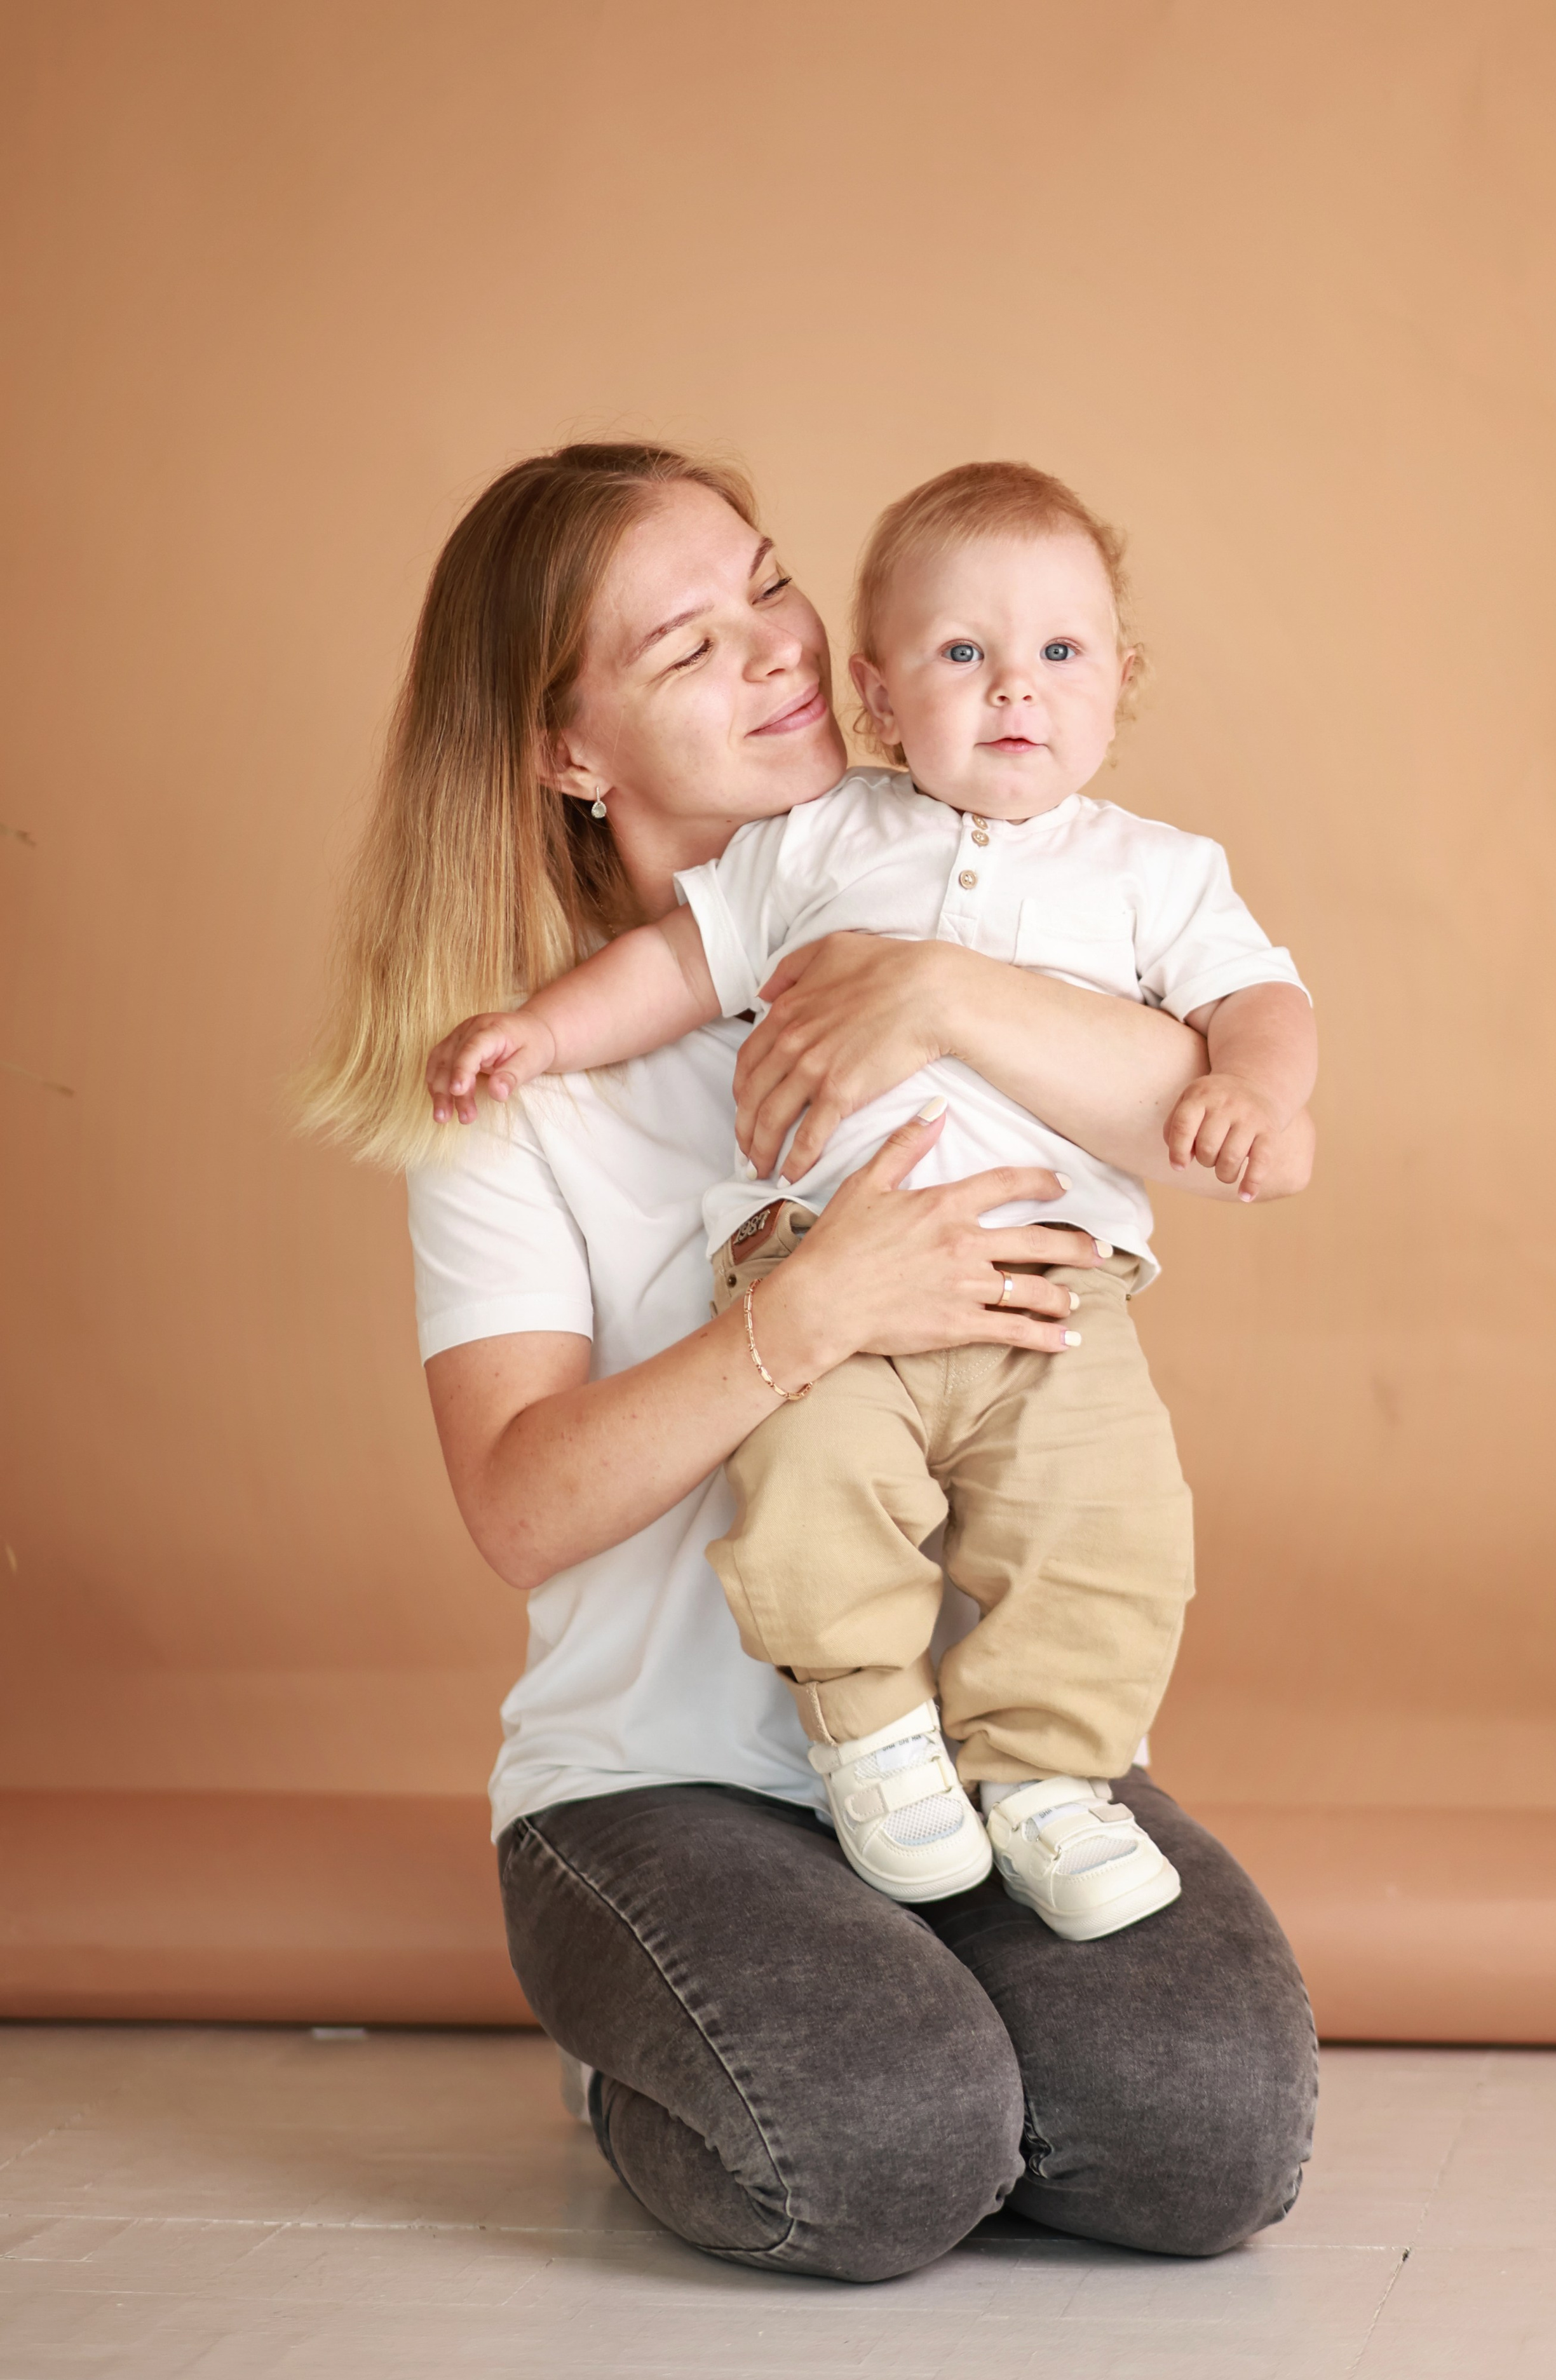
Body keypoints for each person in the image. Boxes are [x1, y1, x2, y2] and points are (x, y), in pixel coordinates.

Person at [305, 440, 1317, 2282]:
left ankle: (925, 1975)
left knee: (1205, 2139)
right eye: (686, 647)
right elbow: (523, 1509)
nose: (769, 651)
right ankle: (681, 2055)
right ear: (568, 752)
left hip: (998, 1761)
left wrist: (932, 990)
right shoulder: (529, 1094)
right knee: (872, 2151)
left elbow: (1213, 1120)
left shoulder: (1004, 895)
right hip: (668, 1778)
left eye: (766, 583)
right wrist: (819, 1306)